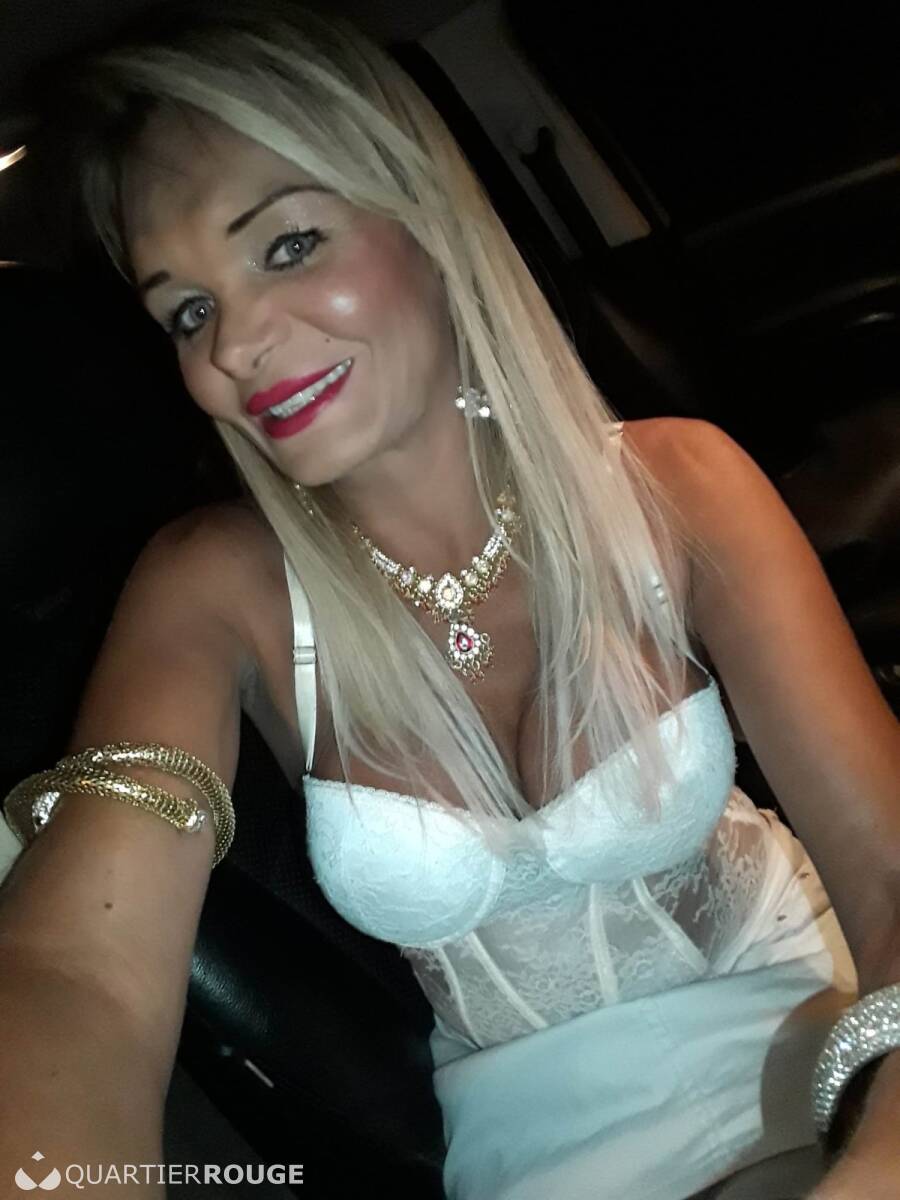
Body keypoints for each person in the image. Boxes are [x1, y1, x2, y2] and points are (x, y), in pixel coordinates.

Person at [2, 3, 899, 1198]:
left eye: (287, 246)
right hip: (539, 1143)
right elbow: (81, 973)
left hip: (805, 1016)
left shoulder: (678, 485)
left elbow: (889, 874)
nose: (234, 348)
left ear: (424, 216)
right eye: (189, 311)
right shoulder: (214, 586)